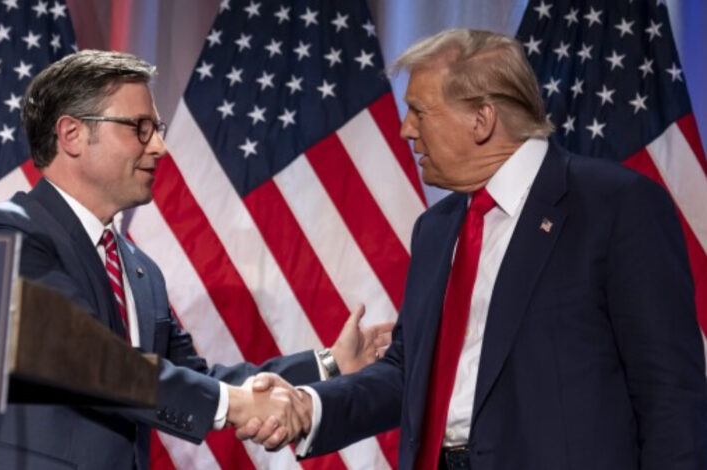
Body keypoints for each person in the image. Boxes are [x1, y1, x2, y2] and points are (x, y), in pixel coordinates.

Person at [241, 29, 707, 469]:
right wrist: (310, 406)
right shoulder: (436, 229)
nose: (405, 130)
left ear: (481, 119)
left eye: (419, 111)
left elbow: (670, 394)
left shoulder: (613, 206)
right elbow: (410, 372)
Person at [0, 50, 392, 470]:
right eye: (140, 129)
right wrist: (234, 404)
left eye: (157, 130)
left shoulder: (139, 269)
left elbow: (191, 378)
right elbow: (80, 358)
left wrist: (328, 364)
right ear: (71, 134)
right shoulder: (7, 233)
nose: (158, 147)